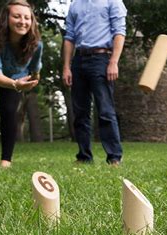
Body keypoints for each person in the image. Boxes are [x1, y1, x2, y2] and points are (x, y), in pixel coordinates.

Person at [0, 0, 42, 168]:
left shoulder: (36, 44)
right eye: (17, 16)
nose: (23, 21)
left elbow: (35, 67)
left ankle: (6, 161)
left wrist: (33, 79)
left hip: (16, 76)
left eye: (27, 18)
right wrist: (15, 84)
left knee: (9, 111)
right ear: (6, 18)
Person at [62, 0, 127, 166]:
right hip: (79, 60)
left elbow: (119, 32)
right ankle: (84, 156)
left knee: (105, 110)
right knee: (80, 112)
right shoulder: (75, 5)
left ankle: (114, 157)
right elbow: (69, 37)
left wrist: (113, 62)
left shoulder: (113, 2)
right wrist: (66, 67)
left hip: (102, 59)